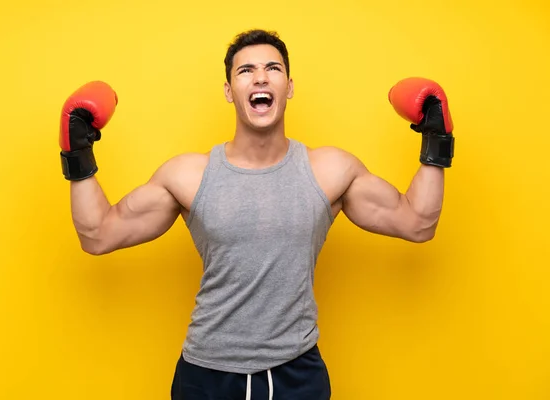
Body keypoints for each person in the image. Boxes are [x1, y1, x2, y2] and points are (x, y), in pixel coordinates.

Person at [59, 29, 454, 400]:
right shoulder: (188, 176)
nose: (260, 78)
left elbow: (417, 222)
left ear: (289, 87)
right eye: (246, 71)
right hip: (206, 374)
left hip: (296, 374)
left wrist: (435, 139)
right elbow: (98, 235)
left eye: (273, 69)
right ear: (231, 91)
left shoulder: (329, 171)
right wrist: (78, 153)